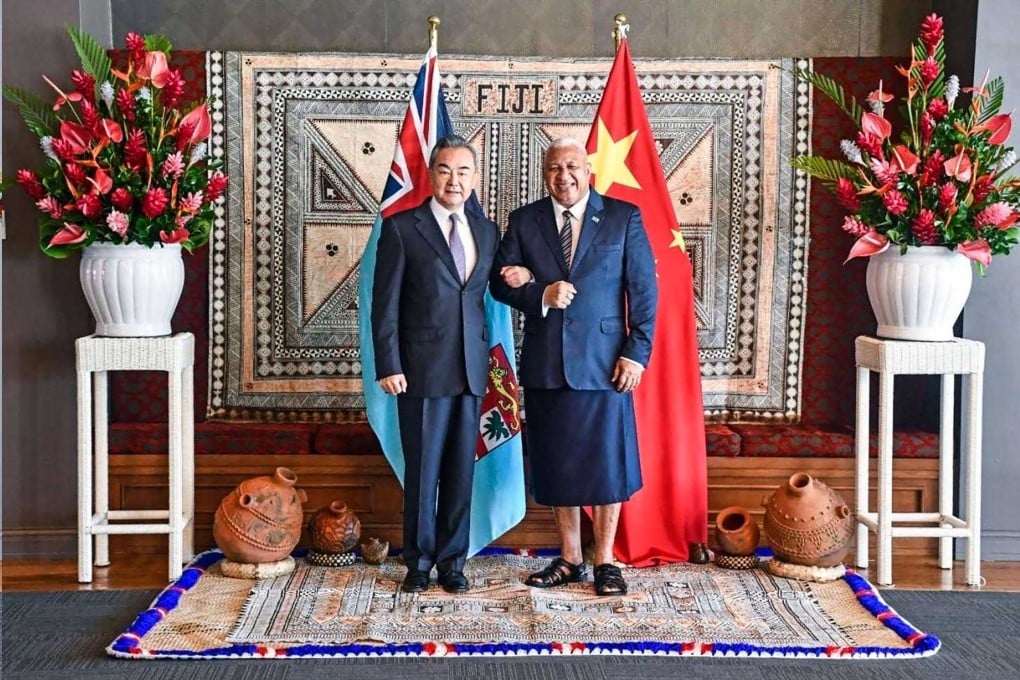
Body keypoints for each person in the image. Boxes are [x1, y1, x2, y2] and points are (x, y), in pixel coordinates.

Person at [490, 137, 657, 596]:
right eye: (554, 168)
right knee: (556, 462)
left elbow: (644, 291)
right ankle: (569, 558)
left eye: (572, 167)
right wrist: (539, 292)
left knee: (607, 464)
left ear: (588, 171)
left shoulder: (623, 217)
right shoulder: (525, 221)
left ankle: (605, 560)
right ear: (545, 174)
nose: (563, 176)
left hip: (606, 364)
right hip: (547, 363)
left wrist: (636, 353)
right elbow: (499, 284)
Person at [371, 134, 498, 594]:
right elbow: (384, 305)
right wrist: (389, 364)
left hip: (470, 370)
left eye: (463, 172)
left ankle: (452, 563)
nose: (454, 181)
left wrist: (530, 282)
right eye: (445, 170)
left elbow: (493, 290)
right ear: (430, 175)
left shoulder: (487, 231)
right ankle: (419, 563)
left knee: (462, 472)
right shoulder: (403, 228)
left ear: (475, 178)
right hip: (420, 370)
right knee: (423, 473)